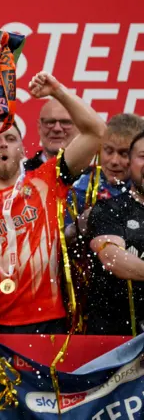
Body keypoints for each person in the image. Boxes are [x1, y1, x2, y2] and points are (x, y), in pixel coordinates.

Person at [0, 72, 106, 334]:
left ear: (22, 150)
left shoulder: (46, 179)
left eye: (11, 139)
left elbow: (97, 132)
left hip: (50, 324)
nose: (3, 144)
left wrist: (58, 90)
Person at [87, 131, 144, 336]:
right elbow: (112, 258)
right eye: (143, 156)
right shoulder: (108, 209)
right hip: (114, 342)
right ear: (130, 162)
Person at [23, 98, 81, 171]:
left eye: (65, 122)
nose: (57, 128)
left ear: (79, 128)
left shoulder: (91, 177)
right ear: (39, 127)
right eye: (50, 122)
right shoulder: (21, 174)